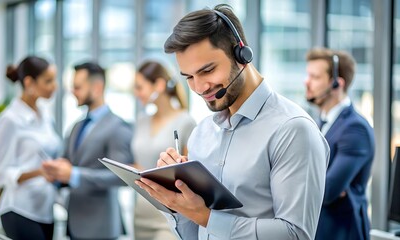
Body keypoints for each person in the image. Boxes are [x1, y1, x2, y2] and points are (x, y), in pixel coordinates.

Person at [135, 4, 329, 240]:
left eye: (207, 70)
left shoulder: (293, 130)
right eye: (189, 77)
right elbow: (195, 234)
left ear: (241, 54)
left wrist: (206, 217)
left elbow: (296, 234)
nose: (199, 87)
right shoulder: (202, 133)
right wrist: (177, 204)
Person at [42, 62, 134, 240]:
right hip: (75, 223)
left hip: (101, 226)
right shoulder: (76, 127)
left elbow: (121, 176)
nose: (72, 92)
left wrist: (74, 175)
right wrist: (56, 174)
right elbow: (68, 165)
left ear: (97, 87)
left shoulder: (118, 127)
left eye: (77, 87)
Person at [305, 48, 375, 240]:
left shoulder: (355, 129)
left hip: (341, 233)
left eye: (315, 77)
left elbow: (327, 191)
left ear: (337, 83)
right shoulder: (318, 123)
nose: (306, 82)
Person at [0, 56, 60, 240]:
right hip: (19, 210)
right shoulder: (10, 120)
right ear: (29, 82)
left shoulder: (45, 116)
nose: (55, 86)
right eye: (48, 81)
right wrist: (39, 173)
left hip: (45, 210)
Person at [132, 60, 196, 240]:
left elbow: (188, 172)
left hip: (169, 212)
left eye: (139, 87)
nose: (136, 93)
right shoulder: (141, 121)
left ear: (159, 85)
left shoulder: (185, 122)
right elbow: (139, 164)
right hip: (141, 210)